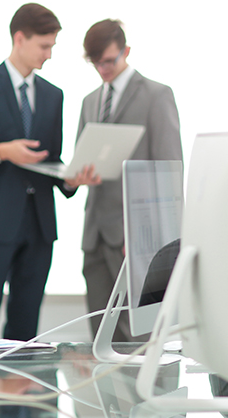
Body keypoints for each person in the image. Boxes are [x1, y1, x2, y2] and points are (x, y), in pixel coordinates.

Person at [0, 3, 99, 340]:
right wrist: (1, 151)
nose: (49, 55)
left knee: (25, 331)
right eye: (44, 46)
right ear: (19, 39)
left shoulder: (54, 96)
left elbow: (49, 159)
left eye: (52, 47)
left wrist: (70, 180)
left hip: (38, 228)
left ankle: (19, 394)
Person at [76, 19, 182, 342]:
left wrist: (150, 236)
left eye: (109, 61)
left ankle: (143, 395)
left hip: (135, 236)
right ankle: (106, 396)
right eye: (96, 63)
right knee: (102, 338)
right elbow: (81, 158)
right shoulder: (90, 101)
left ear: (127, 51)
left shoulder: (156, 96)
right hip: (95, 234)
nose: (103, 69)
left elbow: (168, 171)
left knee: (138, 339)